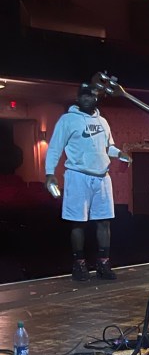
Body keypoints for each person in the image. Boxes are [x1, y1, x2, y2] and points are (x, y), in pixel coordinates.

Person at [44, 80, 131, 282]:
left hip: (102, 177)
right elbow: (55, 148)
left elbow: (108, 147)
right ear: (77, 98)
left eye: (90, 95)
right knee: (78, 222)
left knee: (104, 221)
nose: (86, 98)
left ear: (96, 97)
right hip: (78, 176)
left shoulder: (103, 122)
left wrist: (120, 154)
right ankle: (79, 264)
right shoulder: (67, 120)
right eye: (83, 95)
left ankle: (103, 263)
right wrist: (49, 173)